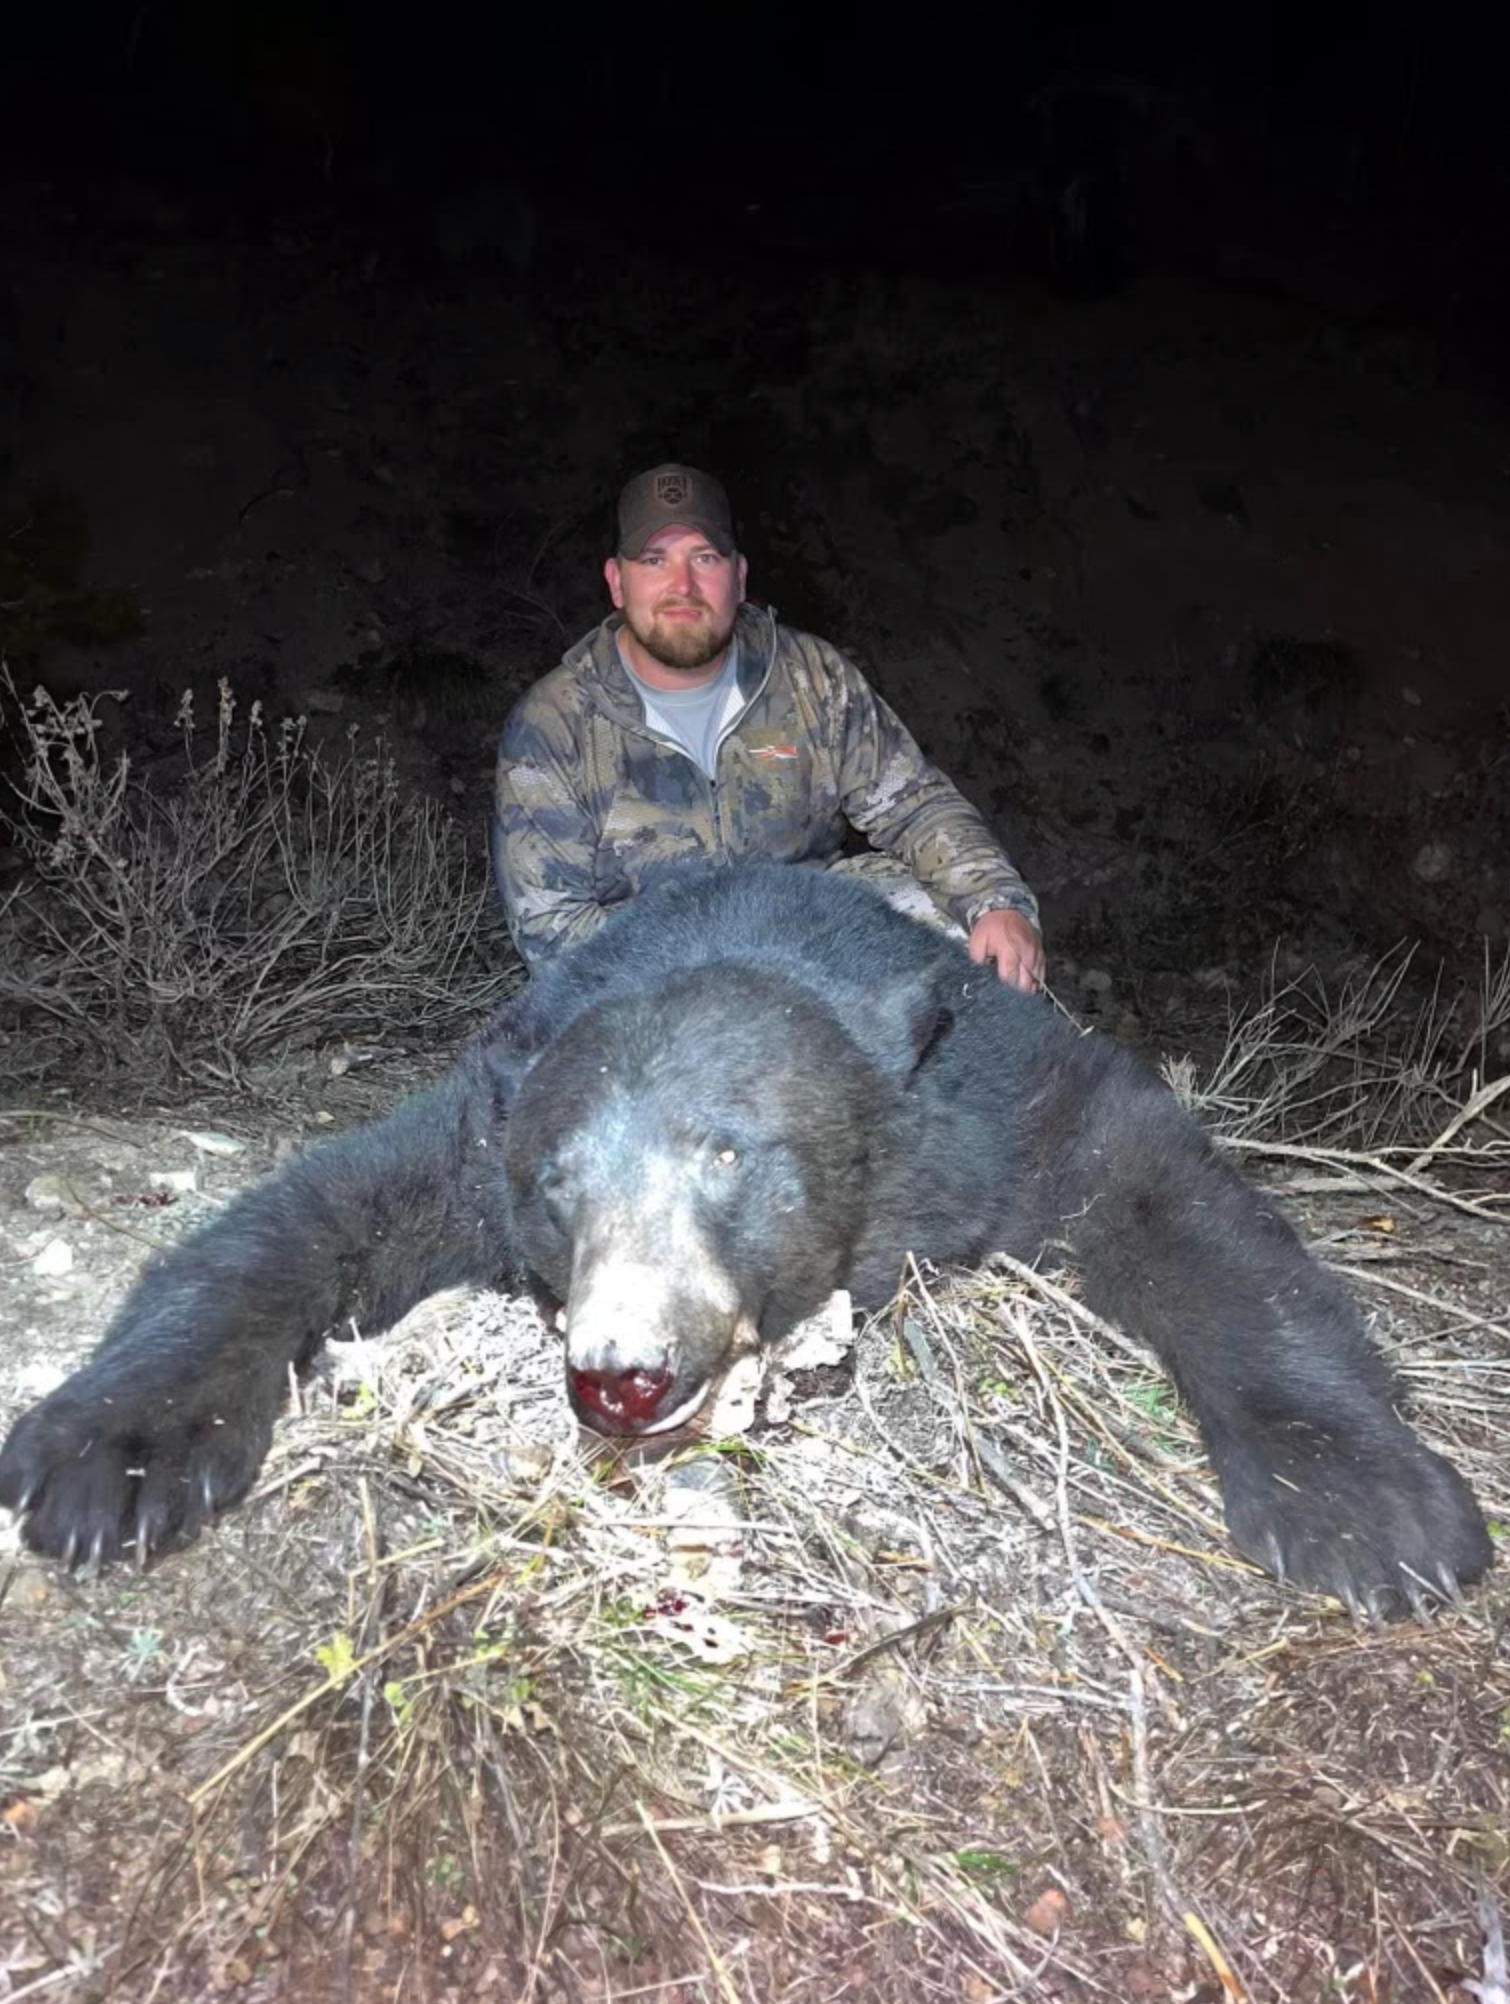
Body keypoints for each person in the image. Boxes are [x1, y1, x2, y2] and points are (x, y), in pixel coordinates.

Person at [491, 463, 1045, 990]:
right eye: (655, 561)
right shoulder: (553, 726)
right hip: (657, 979)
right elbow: (553, 932)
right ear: (617, 581)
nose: (682, 585)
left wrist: (995, 900)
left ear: (739, 577)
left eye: (705, 558)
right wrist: (723, 981)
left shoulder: (813, 679)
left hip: (809, 934)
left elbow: (916, 805)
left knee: (965, 939)